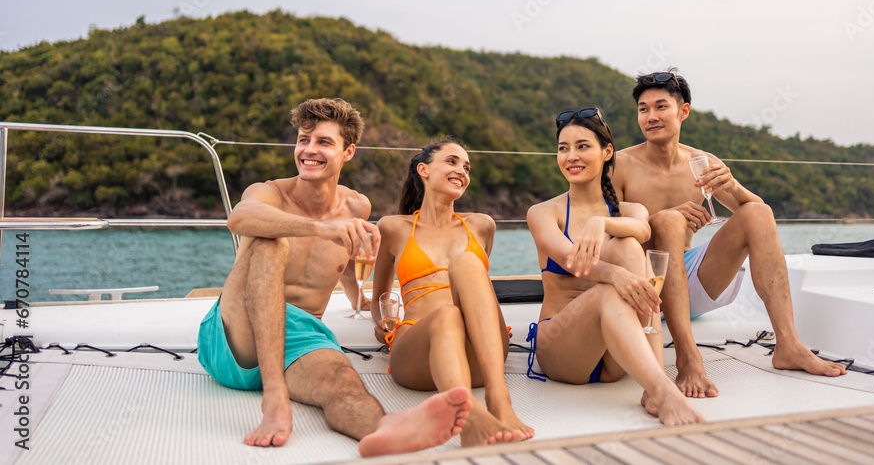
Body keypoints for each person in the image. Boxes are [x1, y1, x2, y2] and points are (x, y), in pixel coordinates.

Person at [197, 98, 472, 456]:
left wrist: (359, 298)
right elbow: (240, 219)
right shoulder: (270, 193)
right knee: (271, 244)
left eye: (323, 142)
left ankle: (383, 429)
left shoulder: (357, 207)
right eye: (303, 140)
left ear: (348, 152)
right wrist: (321, 228)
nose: (309, 150)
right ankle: (275, 397)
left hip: (299, 338)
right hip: (237, 333)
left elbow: (336, 262)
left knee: (342, 381)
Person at [612, 71, 848, 399]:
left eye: (661, 106)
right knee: (667, 221)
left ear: (684, 111)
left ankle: (789, 344)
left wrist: (733, 185)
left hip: (688, 284)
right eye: (643, 109)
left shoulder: (703, 163)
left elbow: (758, 218)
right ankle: (687, 358)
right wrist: (663, 218)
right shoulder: (620, 165)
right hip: (643, 284)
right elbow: (607, 234)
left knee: (757, 211)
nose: (651, 116)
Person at [525, 107, 704, 426]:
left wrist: (601, 222)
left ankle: (654, 380)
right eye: (563, 148)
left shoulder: (632, 209)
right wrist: (616, 276)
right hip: (563, 347)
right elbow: (572, 260)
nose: (571, 156)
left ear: (607, 152)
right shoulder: (543, 212)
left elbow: (644, 231)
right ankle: (662, 390)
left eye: (582, 146)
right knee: (610, 290)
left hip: (615, 357)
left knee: (627, 247)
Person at [371, 139, 534, 446]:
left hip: (481, 355)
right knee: (446, 315)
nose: (461, 170)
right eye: (452, 161)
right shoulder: (393, 227)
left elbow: (477, 290)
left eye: (466, 166)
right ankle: (470, 417)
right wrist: (380, 326)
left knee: (468, 262)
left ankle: (499, 399)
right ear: (424, 170)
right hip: (418, 354)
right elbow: (380, 301)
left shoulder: (482, 226)